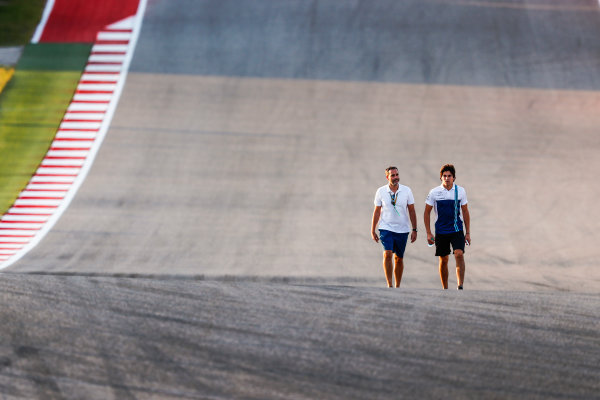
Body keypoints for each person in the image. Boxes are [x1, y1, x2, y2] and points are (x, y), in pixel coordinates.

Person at [424, 164, 471, 290]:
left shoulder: (460, 191)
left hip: (457, 229)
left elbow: (465, 211)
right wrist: (428, 233)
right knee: (443, 259)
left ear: (454, 178)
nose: (447, 178)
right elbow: (426, 212)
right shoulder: (434, 192)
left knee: (459, 254)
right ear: (441, 178)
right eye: (444, 176)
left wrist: (468, 233)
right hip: (441, 231)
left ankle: (460, 285)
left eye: (449, 176)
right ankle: (445, 289)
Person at [371, 166, 418, 288]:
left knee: (399, 258)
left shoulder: (406, 190)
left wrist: (414, 229)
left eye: (397, 174)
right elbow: (376, 211)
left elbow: (412, 210)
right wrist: (373, 230)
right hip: (386, 228)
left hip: (402, 229)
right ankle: (389, 285)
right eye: (393, 175)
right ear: (387, 177)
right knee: (387, 254)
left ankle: (397, 285)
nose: (396, 177)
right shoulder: (381, 191)